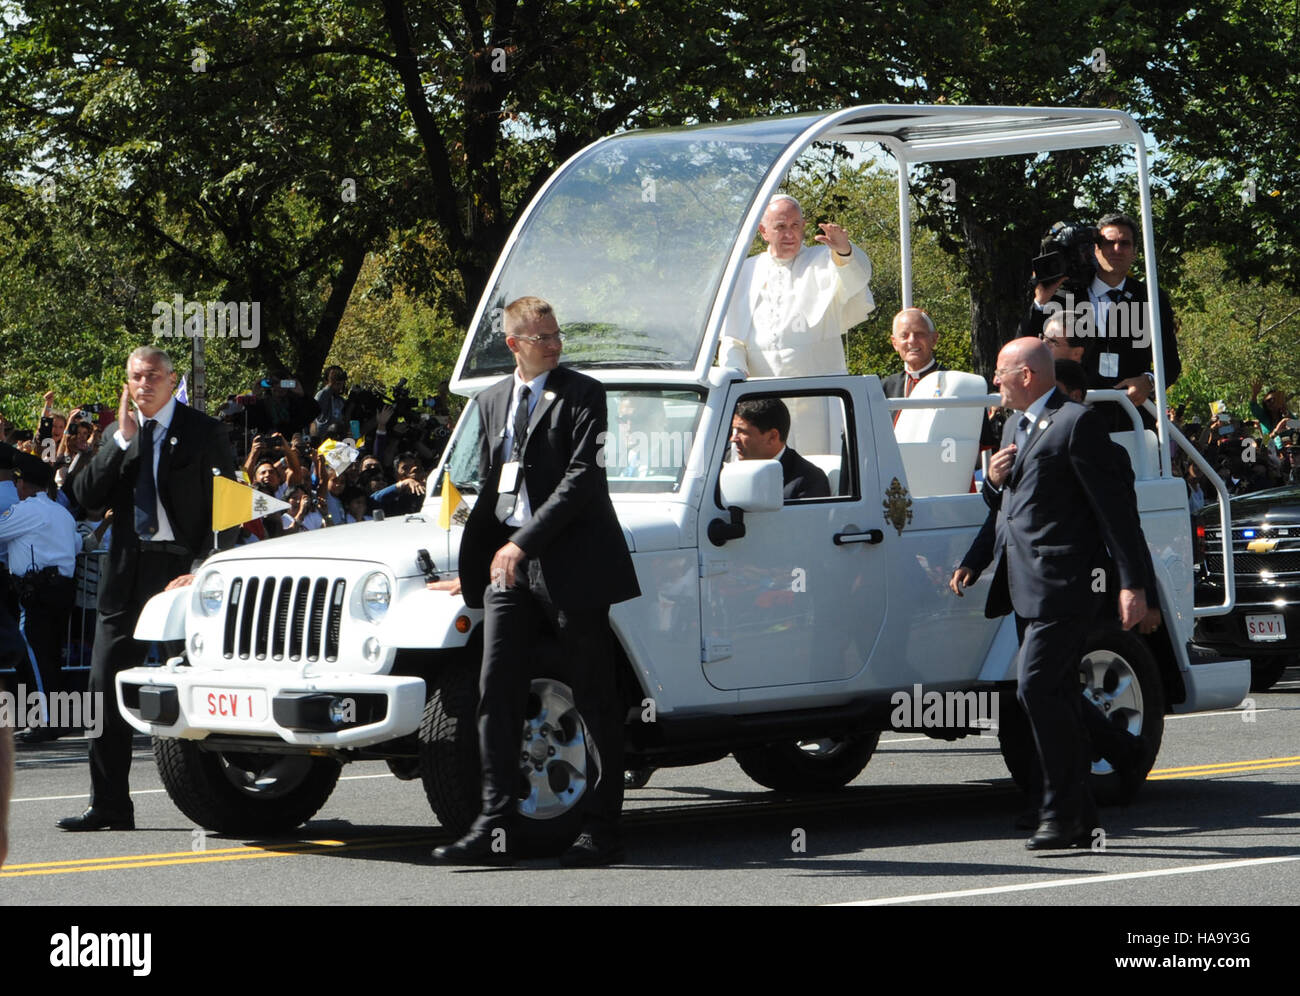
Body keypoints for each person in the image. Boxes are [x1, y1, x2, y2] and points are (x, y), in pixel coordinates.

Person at [433, 296, 640, 867]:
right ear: (513, 344)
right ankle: (494, 824)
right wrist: (473, 563)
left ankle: (601, 828)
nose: (554, 344)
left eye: (556, 334)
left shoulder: (584, 394)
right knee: (495, 688)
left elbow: (582, 480)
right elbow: (483, 488)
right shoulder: (491, 400)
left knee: (594, 694)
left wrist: (521, 543)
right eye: (541, 337)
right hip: (509, 568)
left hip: (569, 562)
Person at [947, 338, 1148, 849]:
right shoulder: (1015, 425)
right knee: (1055, 691)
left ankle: (1059, 812)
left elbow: (1116, 511)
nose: (995, 381)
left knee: (1035, 688)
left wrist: (1133, 584)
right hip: (1023, 585)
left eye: (1000, 372)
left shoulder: (1076, 423)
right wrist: (977, 555)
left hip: (1064, 586)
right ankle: (1081, 807)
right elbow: (1011, 507)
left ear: (1028, 376)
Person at [60, 346, 237, 831]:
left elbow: (231, 506)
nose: (144, 384)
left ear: (172, 379)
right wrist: (120, 440)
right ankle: (110, 804)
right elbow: (85, 499)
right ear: (127, 381)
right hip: (126, 572)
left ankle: (234, 793)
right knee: (102, 685)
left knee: (203, 682)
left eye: (154, 376)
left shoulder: (204, 432)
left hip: (183, 572)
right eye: (137, 377)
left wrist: (205, 567)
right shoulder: (122, 435)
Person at [717, 194, 874, 453]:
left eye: (795, 225)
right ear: (763, 231)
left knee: (821, 465)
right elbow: (732, 338)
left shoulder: (824, 259)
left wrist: (845, 250)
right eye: (780, 226)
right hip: (761, 396)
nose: (789, 234)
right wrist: (735, 373)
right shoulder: (745, 271)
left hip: (819, 395)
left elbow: (856, 279)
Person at [1021, 212, 1181, 429]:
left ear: (1135, 252)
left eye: (1125, 244)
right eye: (1109, 243)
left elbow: (1170, 364)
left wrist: (1149, 381)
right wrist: (1040, 302)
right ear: (1095, 249)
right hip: (1071, 420)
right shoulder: (1065, 294)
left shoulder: (1151, 297)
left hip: (1132, 422)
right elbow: (1026, 349)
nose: (1116, 250)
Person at [0, 454, 79, 742]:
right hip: (62, 589)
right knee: (51, 657)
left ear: (23, 484)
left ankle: (45, 722)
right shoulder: (61, 512)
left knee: (35, 657)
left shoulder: (26, 511)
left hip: (38, 592)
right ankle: (56, 719)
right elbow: (77, 543)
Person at [730, 398, 831, 500]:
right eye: (734, 430)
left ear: (772, 437)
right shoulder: (725, 462)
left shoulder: (809, 480)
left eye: (742, 432)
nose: (733, 439)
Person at [881, 308, 942, 404]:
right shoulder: (884, 388)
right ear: (895, 343)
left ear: (934, 339)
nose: (912, 340)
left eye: (919, 334)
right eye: (904, 335)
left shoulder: (953, 382)